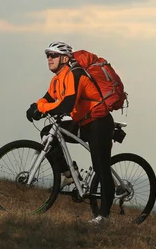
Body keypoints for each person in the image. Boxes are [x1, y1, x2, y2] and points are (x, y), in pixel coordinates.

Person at [26, 41, 115, 225]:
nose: (49, 59)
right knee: (48, 133)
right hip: (82, 121)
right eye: (47, 55)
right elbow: (48, 98)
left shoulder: (76, 74)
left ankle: (104, 216)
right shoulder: (58, 79)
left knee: (101, 168)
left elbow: (67, 105)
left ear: (65, 58)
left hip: (99, 122)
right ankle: (67, 174)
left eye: (53, 55)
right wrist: (35, 106)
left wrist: (42, 109)